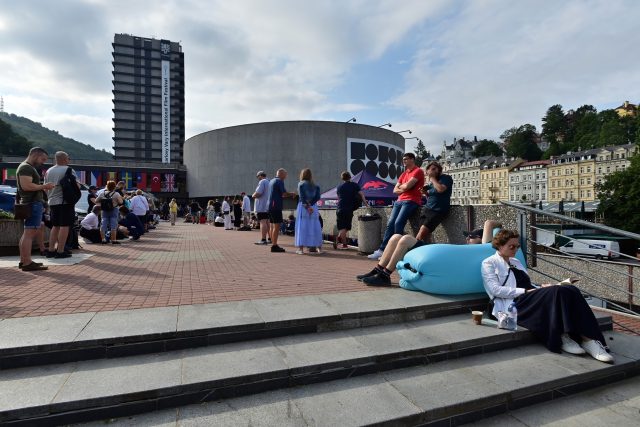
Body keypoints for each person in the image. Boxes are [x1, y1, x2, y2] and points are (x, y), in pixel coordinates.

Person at [481, 229, 613, 363]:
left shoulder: (516, 262)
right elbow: (495, 290)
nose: (515, 249)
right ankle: (563, 336)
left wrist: (540, 288)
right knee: (557, 292)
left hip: (530, 296)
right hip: (514, 303)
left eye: (518, 246)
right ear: (500, 245)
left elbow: (527, 283)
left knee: (570, 289)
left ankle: (590, 341)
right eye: (512, 246)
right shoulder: (489, 263)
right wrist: (526, 292)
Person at [358, 219, 500, 287]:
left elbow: (489, 223)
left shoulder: (484, 248)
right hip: (434, 252)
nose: (467, 238)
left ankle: (385, 275)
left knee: (406, 239)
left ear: (482, 239)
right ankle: (378, 270)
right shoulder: (469, 249)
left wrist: (497, 227)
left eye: (471, 237)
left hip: (436, 256)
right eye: (467, 236)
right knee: (396, 237)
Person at [368, 153, 425, 260]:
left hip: (411, 200)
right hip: (399, 201)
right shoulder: (403, 174)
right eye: (403, 159)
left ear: (412, 159)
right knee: (391, 224)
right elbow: (395, 190)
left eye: (406, 159)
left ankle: (394, 252)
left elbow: (408, 186)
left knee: (398, 223)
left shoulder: (418, 171)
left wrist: (404, 187)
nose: (404, 161)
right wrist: (405, 188)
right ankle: (382, 250)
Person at [16, 147, 55, 271]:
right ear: (35, 155)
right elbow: (26, 186)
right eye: (42, 159)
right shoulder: (26, 167)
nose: (43, 162)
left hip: (30, 203)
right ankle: (27, 262)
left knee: (27, 233)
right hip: (32, 203)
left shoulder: (25, 167)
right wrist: (44, 186)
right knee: (29, 233)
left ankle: (24, 261)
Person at [44, 151, 79, 258]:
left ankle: (51, 250)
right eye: (68, 158)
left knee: (55, 226)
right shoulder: (68, 170)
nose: (69, 160)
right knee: (65, 226)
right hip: (65, 202)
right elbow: (76, 185)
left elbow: (45, 187)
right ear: (64, 159)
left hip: (52, 202)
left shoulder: (48, 171)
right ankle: (60, 250)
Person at [415, 161, 453, 243]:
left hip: (438, 210)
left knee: (421, 232)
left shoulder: (446, 178)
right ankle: (427, 251)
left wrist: (432, 178)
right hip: (427, 209)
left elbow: (441, 189)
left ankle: (412, 248)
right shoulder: (431, 184)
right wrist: (425, 193)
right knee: (426, 235)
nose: (433, 171)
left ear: (439, 170)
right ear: (427, 171)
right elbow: (432, 196)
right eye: (431, 169)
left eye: (435, 169)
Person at [267, 168, 296, 253]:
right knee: (277, 226)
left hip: (270, 206)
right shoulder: (279, 181)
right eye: (285, 175)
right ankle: (274, 245)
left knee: (272, 226)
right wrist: (292, 194)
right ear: (281, 174)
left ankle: (273, 244)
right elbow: (284, 193)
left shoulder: (271, 181)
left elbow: (281, 195)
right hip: (276, 206)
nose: (286, 176)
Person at [294, 168, 322, 254]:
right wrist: (311, 204)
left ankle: (300, 249)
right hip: (314, 207)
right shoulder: (316, 185)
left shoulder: (301, 184)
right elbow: (318, 197)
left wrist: (307, 206)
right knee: (315, 226)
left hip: (303, 207)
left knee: (302, 227)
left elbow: (302, 197)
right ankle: (318, 248)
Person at [336, 171, 366, 250]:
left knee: (343, 227)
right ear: (350, 177)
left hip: (339, 208)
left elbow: (339, 198)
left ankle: (339, 237)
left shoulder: (339, 187)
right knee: (346, 227)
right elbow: (361, 194)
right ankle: (344, 244)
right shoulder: (354, 185)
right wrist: (366, 204)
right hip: (348, 209)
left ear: (342, 178)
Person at [252, 171, 271, 245]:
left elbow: (258, 193)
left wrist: (253, 195)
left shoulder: (262, 181)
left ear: (260, 176)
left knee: (263, 222)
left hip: (262, 206)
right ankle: (270, 238)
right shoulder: (269, 181)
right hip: (268, 206)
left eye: (257, 177)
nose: (257, 178)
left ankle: (263, 239)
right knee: (268, 222)